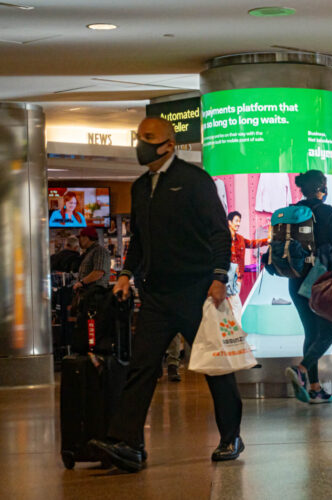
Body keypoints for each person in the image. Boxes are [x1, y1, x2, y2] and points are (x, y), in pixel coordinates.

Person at [90, 117, 243, 472]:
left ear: (169, 144)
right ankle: (127, 442)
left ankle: (231, 436)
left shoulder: (194, 181)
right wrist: (126, 275)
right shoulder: (141, 187)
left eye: (148, 137)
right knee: (141, 367)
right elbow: (140, 241)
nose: (140, 143)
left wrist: (219, 277)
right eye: (139, 136)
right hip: (157, 295)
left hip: (196, 290)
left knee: (215, 367)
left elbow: (220, 232)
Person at [284, 170, 332, 404]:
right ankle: (302, 369)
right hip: (318, 280)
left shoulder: (291, 213)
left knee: (311, 332)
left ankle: (315, 388)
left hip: (295, 279)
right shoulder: (326, 212)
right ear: (321, 188)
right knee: (328, 332)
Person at [228, 210, 269, 282]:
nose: (238, 224)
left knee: (236, 293)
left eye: (239, 221)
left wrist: (267, 241)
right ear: (230, 222)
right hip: (227, 277)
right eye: (236, 221)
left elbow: (252, 243)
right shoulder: (222, 239)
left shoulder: (240, 239)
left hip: (238, 277)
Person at [72, 227, 111, 291]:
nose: (79, 240)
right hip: (89, 294)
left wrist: (81, 282)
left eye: (80, 237)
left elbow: (98, 272)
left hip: (96, 295)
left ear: (87, 238)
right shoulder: (89, 252)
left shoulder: (99, 250)